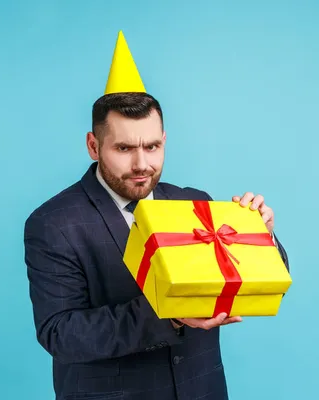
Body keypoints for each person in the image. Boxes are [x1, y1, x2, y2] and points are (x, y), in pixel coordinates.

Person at [23, 31, 290, 400]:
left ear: (164, 139)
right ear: (93, 146)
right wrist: (171, 314)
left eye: (152, 146)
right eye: (124, 148)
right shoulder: (54, 224)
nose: (142, 164)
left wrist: (261, 237)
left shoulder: (195, 204)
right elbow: (61, 334)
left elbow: (247, 282)